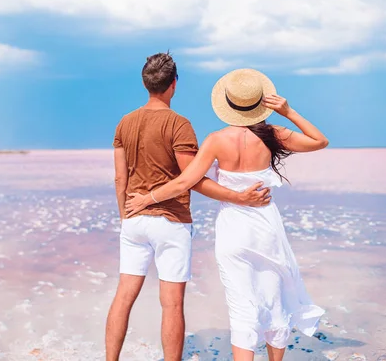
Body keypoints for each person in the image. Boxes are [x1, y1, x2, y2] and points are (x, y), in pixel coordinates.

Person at [125, 68, 328, 361]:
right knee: (273, 299)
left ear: (228, 104)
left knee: (241, 306)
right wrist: (287, 111)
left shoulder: (217, 139)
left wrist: (147, 198)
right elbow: (320, 141)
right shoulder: (273, 135)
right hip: (266, 226)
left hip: (234, 227)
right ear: (260, 103)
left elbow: (186, 181)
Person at [105, 54, 274, 361]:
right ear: (173, 84)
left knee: (124, 296)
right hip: (171, 221)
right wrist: (238, 197)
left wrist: (124, 215)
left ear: (146, 84)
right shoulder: (179, 124)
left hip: (133, 218)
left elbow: (120, 176)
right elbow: (191, 180)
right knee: (171, 303)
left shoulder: (124, 123)